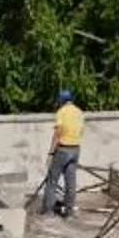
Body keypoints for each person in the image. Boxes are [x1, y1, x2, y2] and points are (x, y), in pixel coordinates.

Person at [41, 88, 84, 219]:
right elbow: (82, 131)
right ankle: (69, 213)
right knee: (71, 183)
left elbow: (57, 133)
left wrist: (51, 153)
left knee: (52, 181)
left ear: (61, 100)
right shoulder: (79, 112)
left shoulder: (61, 112)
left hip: (63, 149)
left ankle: (48, 212)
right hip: (75, 149)